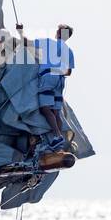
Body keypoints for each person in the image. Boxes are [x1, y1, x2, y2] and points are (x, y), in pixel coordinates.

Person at [34, 24, 74, 153]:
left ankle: (57, 136)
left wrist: (20, 31)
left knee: (45, 108)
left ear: (58, 32)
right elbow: (68, 72)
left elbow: (25, 43)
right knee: (56, 112)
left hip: (48, 78)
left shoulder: (48, 43)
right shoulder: (69, 51)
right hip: (60, 81)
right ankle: (60, 141)